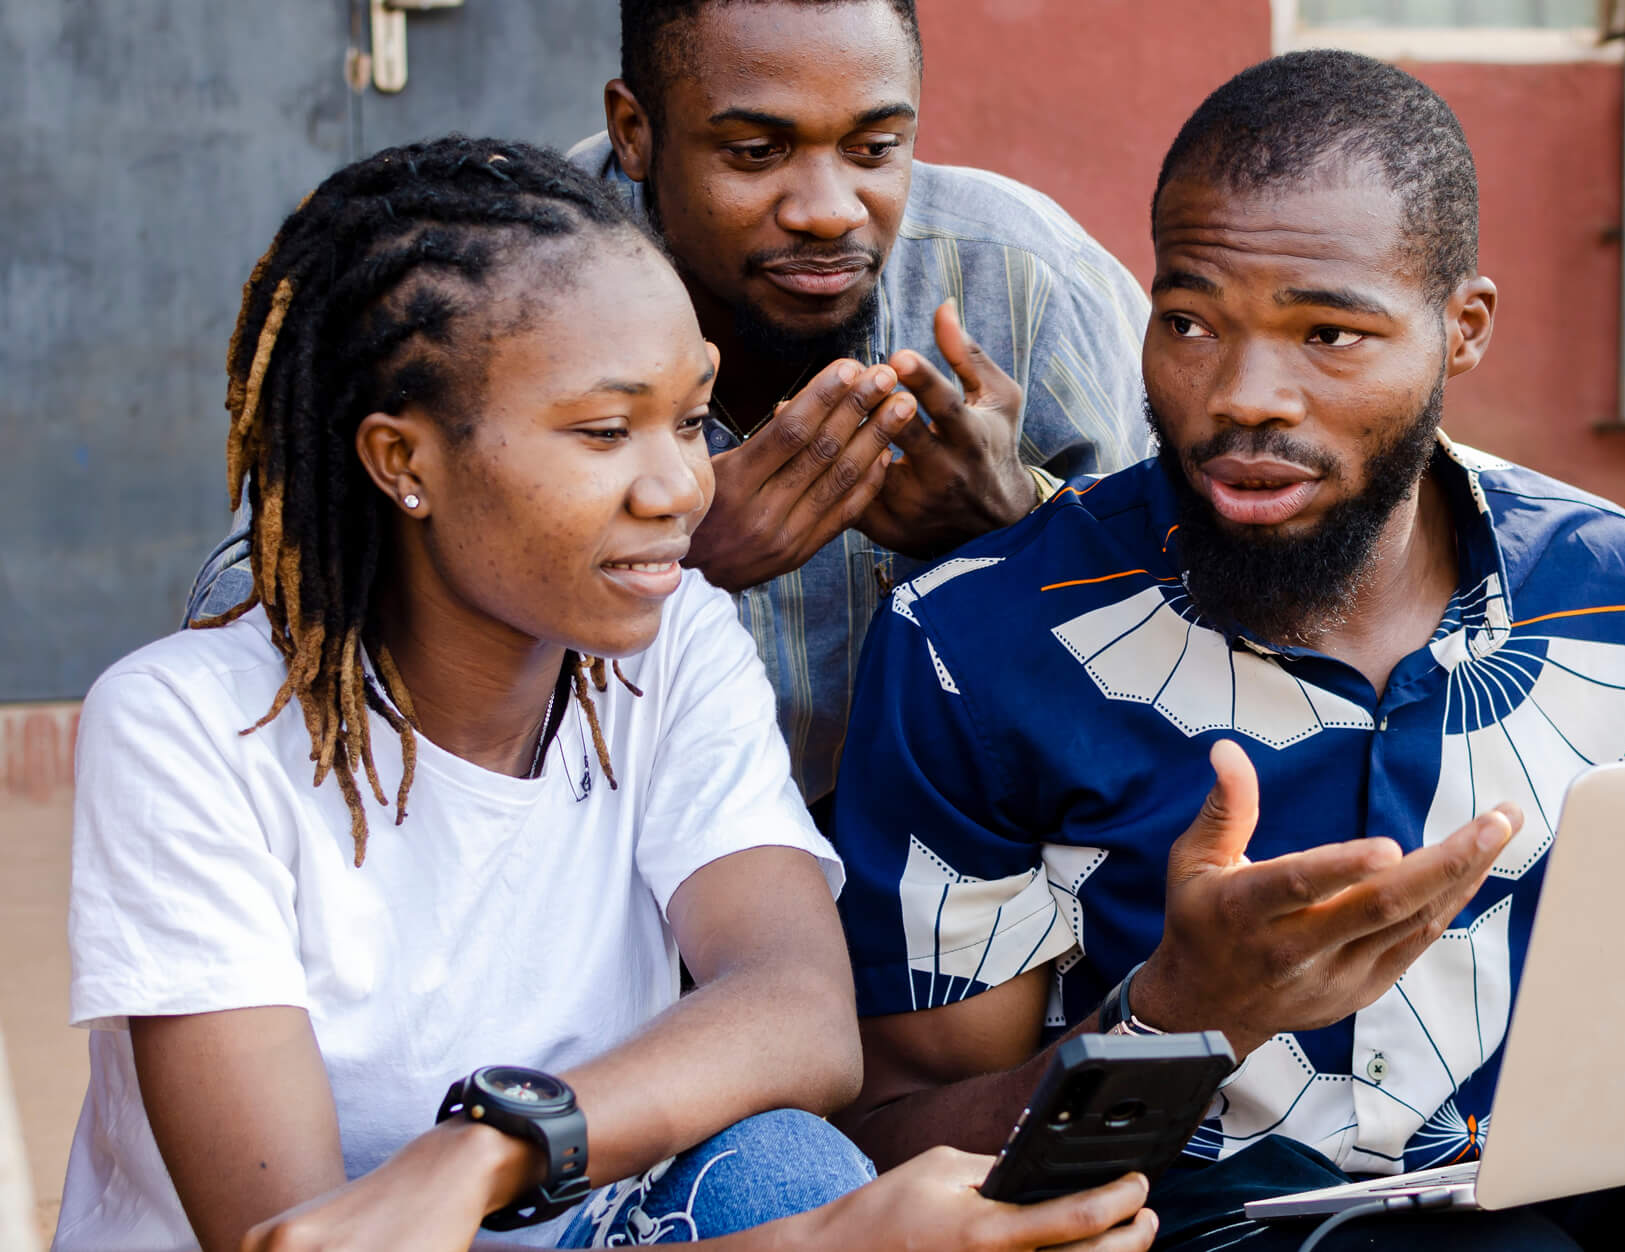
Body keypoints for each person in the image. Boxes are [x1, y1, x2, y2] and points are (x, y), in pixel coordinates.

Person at [56, 139, 1156, 1252]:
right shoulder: (187, 727)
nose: (682, 485)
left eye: (688, 420)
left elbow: (800, 1010)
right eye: (602, 430)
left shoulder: (665, 640)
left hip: (577, 1224)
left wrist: (494, 1144)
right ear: (405, 460)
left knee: (783, 1164)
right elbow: (311, 1241)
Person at [825, 53, 1625, 1250]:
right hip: (1199, 1224)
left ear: (1464, 330)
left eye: (1329, 334)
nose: (1245, 396)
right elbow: (901, 1144)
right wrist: (1184, 1018)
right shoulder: (975, 644)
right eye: (1189, 321)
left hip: (1560, 1179)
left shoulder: (1611, 587)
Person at [190, 0, 1152, 805]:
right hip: (596, 868)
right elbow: (246, 616)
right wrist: (661, 553)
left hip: (959, 868)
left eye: (874, 148)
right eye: (755, 151)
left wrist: (1021, 521)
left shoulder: (1021, 276)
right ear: (634, 130)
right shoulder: (492, 288)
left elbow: (1213, 596)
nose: (828, 209)